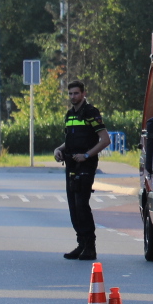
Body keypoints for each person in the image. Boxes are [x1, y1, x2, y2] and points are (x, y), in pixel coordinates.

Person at [53, 80, 109, 260]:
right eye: (70, 94)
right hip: (71, 164)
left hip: (85, 165)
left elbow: (104, 140)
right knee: (73, 206)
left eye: (76, 93)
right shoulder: (69, 114)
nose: (73, 97)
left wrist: (86, 155)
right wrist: (59, 149)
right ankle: (81, 244)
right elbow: (69, 140)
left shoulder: (91, 113)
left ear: (83, 93)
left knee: (81, 204)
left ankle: (90, 246)